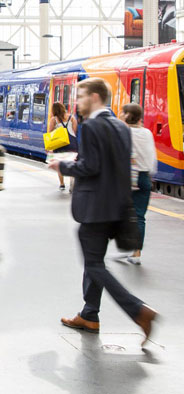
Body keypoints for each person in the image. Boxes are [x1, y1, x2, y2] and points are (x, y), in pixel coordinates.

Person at [47, 78, 157, 343]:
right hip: (116, 206)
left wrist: (62, 166)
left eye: (82, 96)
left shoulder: (91, 126)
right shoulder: (120, 126)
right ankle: (89, 314)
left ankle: (138, 310)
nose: (78, 102)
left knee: (95, 265)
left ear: (95, 97)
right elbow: (113, 164)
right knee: (93, 261)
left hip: (94, 206)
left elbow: (90, 167)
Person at [120, 103, 157, 265]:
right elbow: (152, 157)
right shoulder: (147, 133)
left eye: (122, 113)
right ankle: (136, 253)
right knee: (139, 216)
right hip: (144, 178)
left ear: (127, 115)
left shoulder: (124, 132)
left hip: (128, 178)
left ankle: (121, 244)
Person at [48, 102, 78, 192]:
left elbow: (50, 133)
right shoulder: (71, 118)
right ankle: (72, 183)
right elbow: (75, 131)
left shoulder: (54, 120)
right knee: (71, 163)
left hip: (59, 145)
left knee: (60, 163)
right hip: (72, 144)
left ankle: (62, 184)